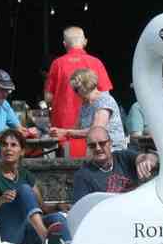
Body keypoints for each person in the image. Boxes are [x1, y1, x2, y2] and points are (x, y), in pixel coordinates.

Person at [0, 128, 69, 244]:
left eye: (13, 145)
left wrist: (58, 206)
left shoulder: (26, 175)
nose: (8, 149)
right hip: (5, 232)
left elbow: (42, 208)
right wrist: (1, 200)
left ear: (22, 151)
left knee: (58, 218)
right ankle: (44, 236)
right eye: (4, 145)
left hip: (26, 232)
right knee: (24, 189)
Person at [44, 26, 113, 158]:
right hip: (93, 130)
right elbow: (105, 96)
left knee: (63, 171)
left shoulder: (57, 64)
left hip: (63, 128)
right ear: (85, 42)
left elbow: (48, 97)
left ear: (64, 44)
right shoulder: (96, 63)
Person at [71, 125, 159, 203]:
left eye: (102, 143)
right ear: (88, 148)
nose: (98, 148)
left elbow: (147, 157)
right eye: (92, 145)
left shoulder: (123, 157)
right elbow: (81, 209)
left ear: (110, 143)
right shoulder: (83, 176)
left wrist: (148, 160)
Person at [67, 68, 126, 152]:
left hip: (112, 150)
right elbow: (76, 130)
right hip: (95, 151)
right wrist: (60, 132)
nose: (75, 93)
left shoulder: (104, 100)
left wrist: (67, 132)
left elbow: (96, 130)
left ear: (83, 87)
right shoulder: (85, 105)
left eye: (76, 89)